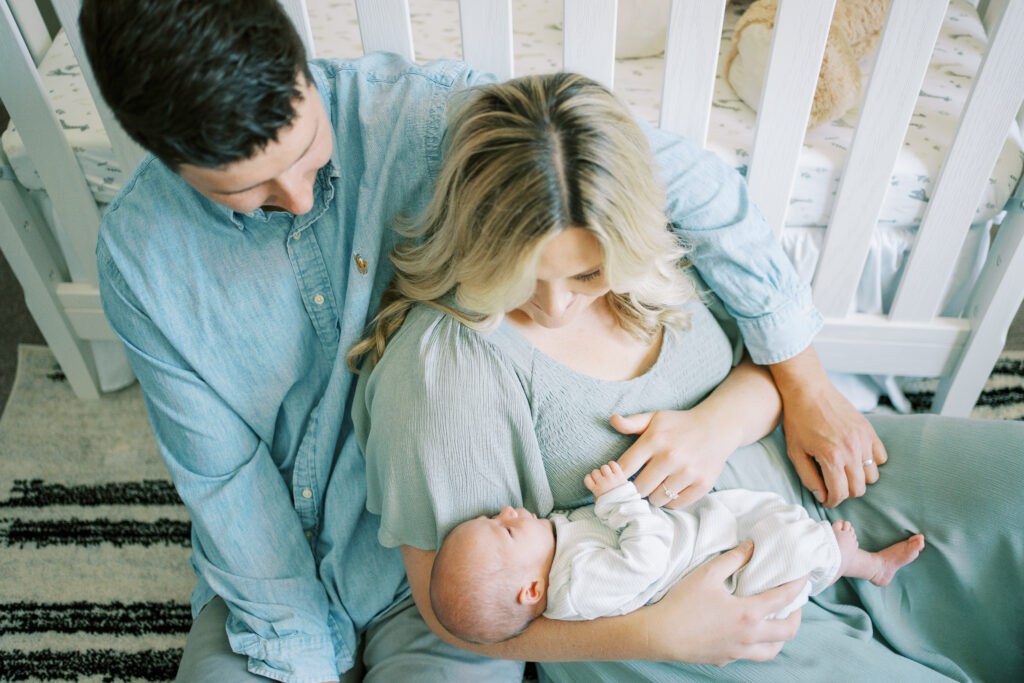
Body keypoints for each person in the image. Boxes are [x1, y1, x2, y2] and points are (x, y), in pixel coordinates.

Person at [79, 0, 901, 678]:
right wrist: (297, 656)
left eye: (306, 154)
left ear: (304, 67)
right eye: (248, 191)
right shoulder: (142, 261)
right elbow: (227, 481)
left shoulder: (430, 117)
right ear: (164, 158)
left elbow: (674, 180)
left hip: (457, 562)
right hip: (282, 566)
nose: (297, 197)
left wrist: (803, 379)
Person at [351, 72, 1024, 681]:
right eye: (524, 275)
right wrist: (660, 632)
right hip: (684, 604)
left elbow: (770, 373)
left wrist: (714, 426)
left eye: (588, 274)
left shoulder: (665, 262)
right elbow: (461, 611)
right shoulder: (446, 366)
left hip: (804, 479)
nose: (556, 306)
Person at [430, 460, 924, 644]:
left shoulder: (557, 552)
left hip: (708, 535)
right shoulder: (577, 585)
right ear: (531, 589)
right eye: (507, 530)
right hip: (719, 570)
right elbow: (645, 560)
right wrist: (619, 500)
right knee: (791, 546)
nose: (510, 511)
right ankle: (863, 565)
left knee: (771, 520)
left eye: (497, 516)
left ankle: (848, 561)